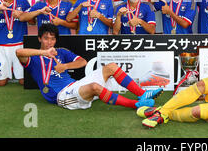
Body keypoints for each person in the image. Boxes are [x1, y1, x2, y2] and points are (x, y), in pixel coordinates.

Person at [16, 23, 162, 109]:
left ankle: (142, 94)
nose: (49, 42)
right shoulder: (33, 59)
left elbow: (82, 62)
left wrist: (65, 66)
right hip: (62, 96)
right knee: (94, 87)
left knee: (111, 66)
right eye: (46, 38)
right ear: (39, 38)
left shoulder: (60, 52)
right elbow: (19, 52)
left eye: (52, 39)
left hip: (76, 85)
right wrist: (44, 52)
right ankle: (136, 104)